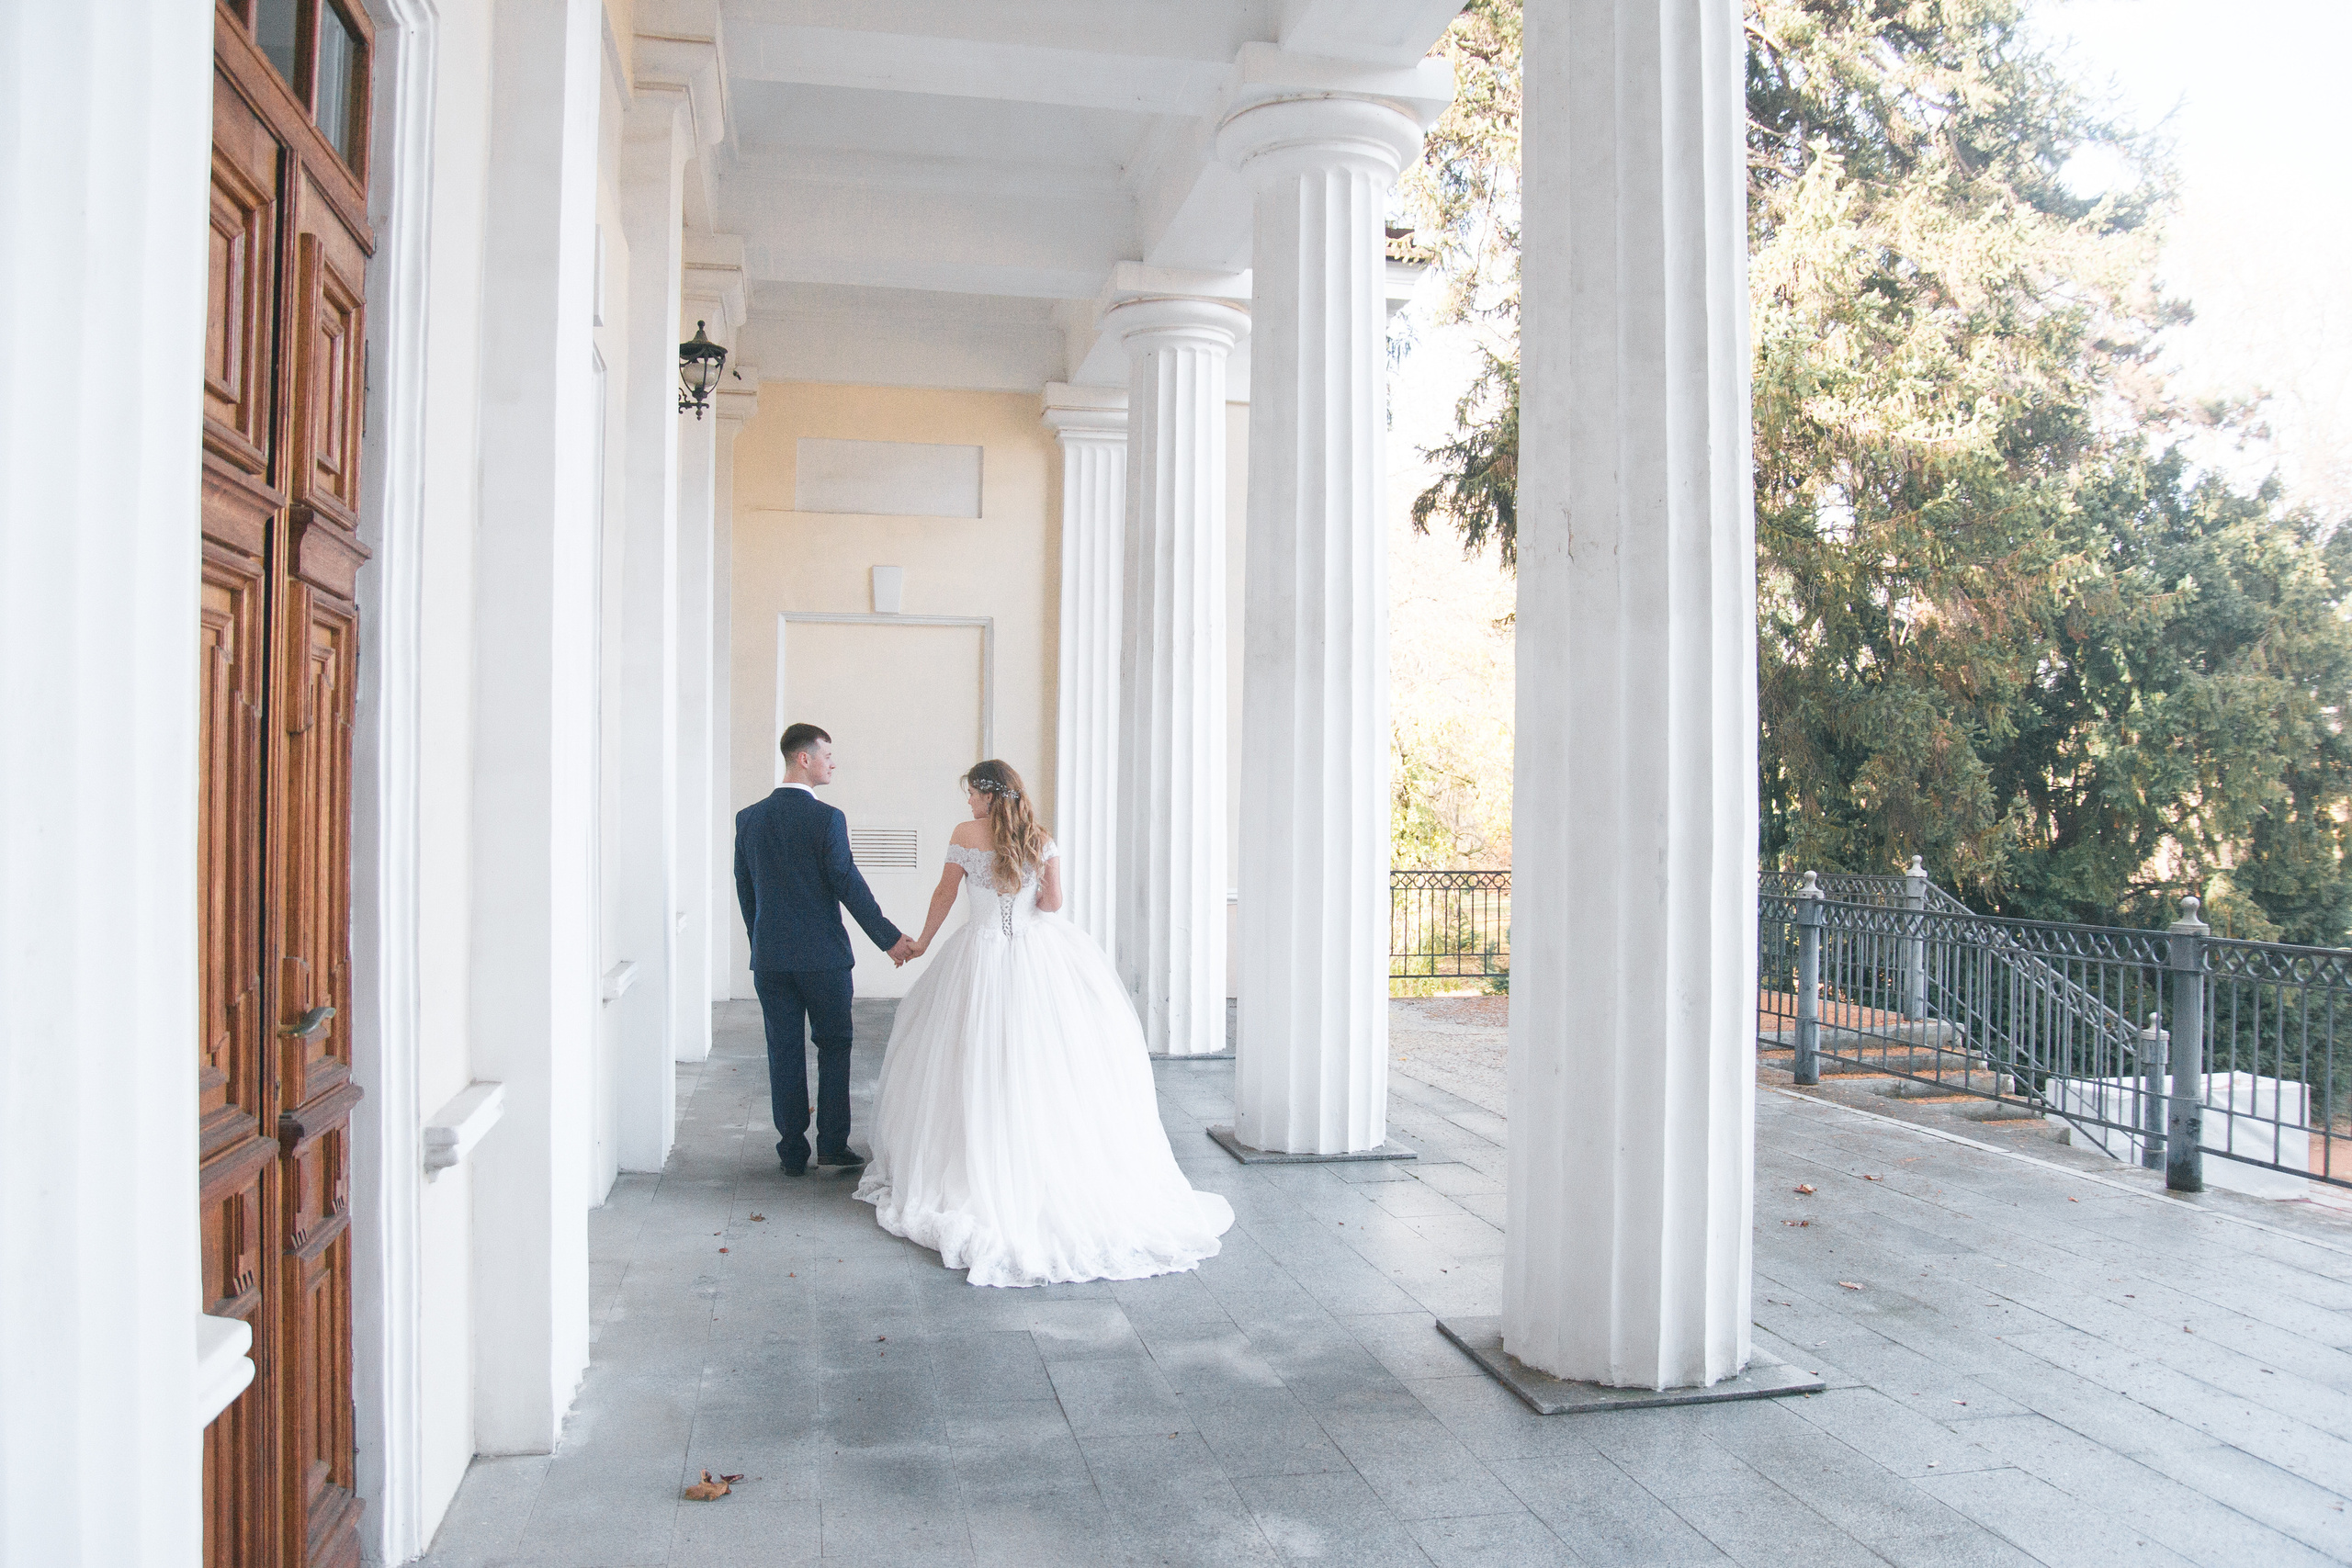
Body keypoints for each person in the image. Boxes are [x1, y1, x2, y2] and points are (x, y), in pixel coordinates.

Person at [854, 759, 1234, 1286]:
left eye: (971, 793)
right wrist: (1027, 890)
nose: (968, 803)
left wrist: (919, 942)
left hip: (979, 956)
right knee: (1045, 1059)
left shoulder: (965, 835)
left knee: (969, 1055)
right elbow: (1053, 905)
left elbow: (944, 895)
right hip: (1037, 955)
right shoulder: (1040, 837)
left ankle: (975, 1154)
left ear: (989, 794)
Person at [735, 722, 915, 1176]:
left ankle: (791, 1152)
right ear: (804, 759)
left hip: (771, 958)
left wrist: (760, 940)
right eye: (827, 756)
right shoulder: (827, 819)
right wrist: (890, 939)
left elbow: (745, 888)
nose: (833, 763)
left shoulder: (749, 817)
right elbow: (846, 883)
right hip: (823, 960)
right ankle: (832, 1144)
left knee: (783, 1049)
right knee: (834, 1046)